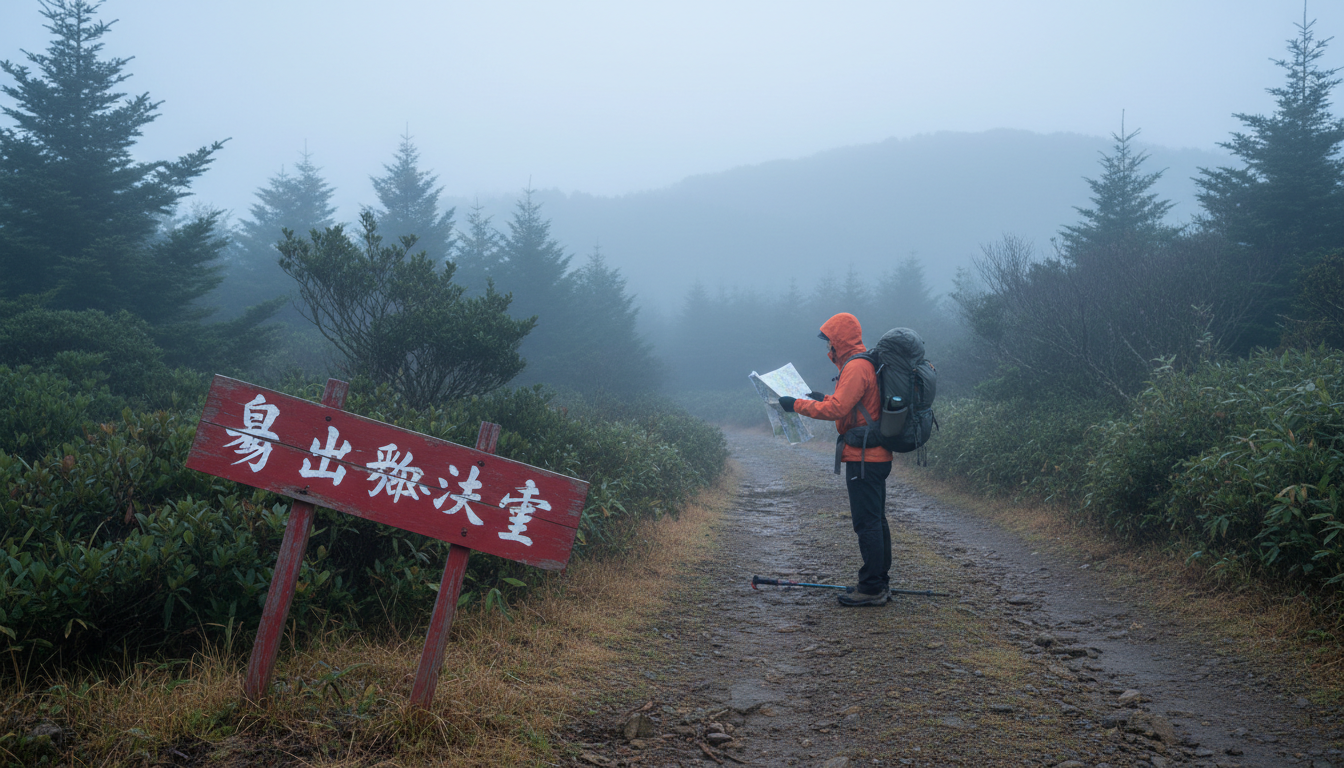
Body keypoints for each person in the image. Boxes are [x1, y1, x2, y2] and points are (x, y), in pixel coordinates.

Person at [778, 312, 892, 607]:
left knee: (867, 524)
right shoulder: (863, 363)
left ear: (839, 340)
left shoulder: (856, 367)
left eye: (830, 340)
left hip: (864, 457)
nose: (828, 347)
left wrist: (797, 405)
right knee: (876, 521)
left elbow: (839, 411)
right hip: (874, 455)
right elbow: (851, 404)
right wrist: (820, 397)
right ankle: (879, 582)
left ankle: (871, 589)